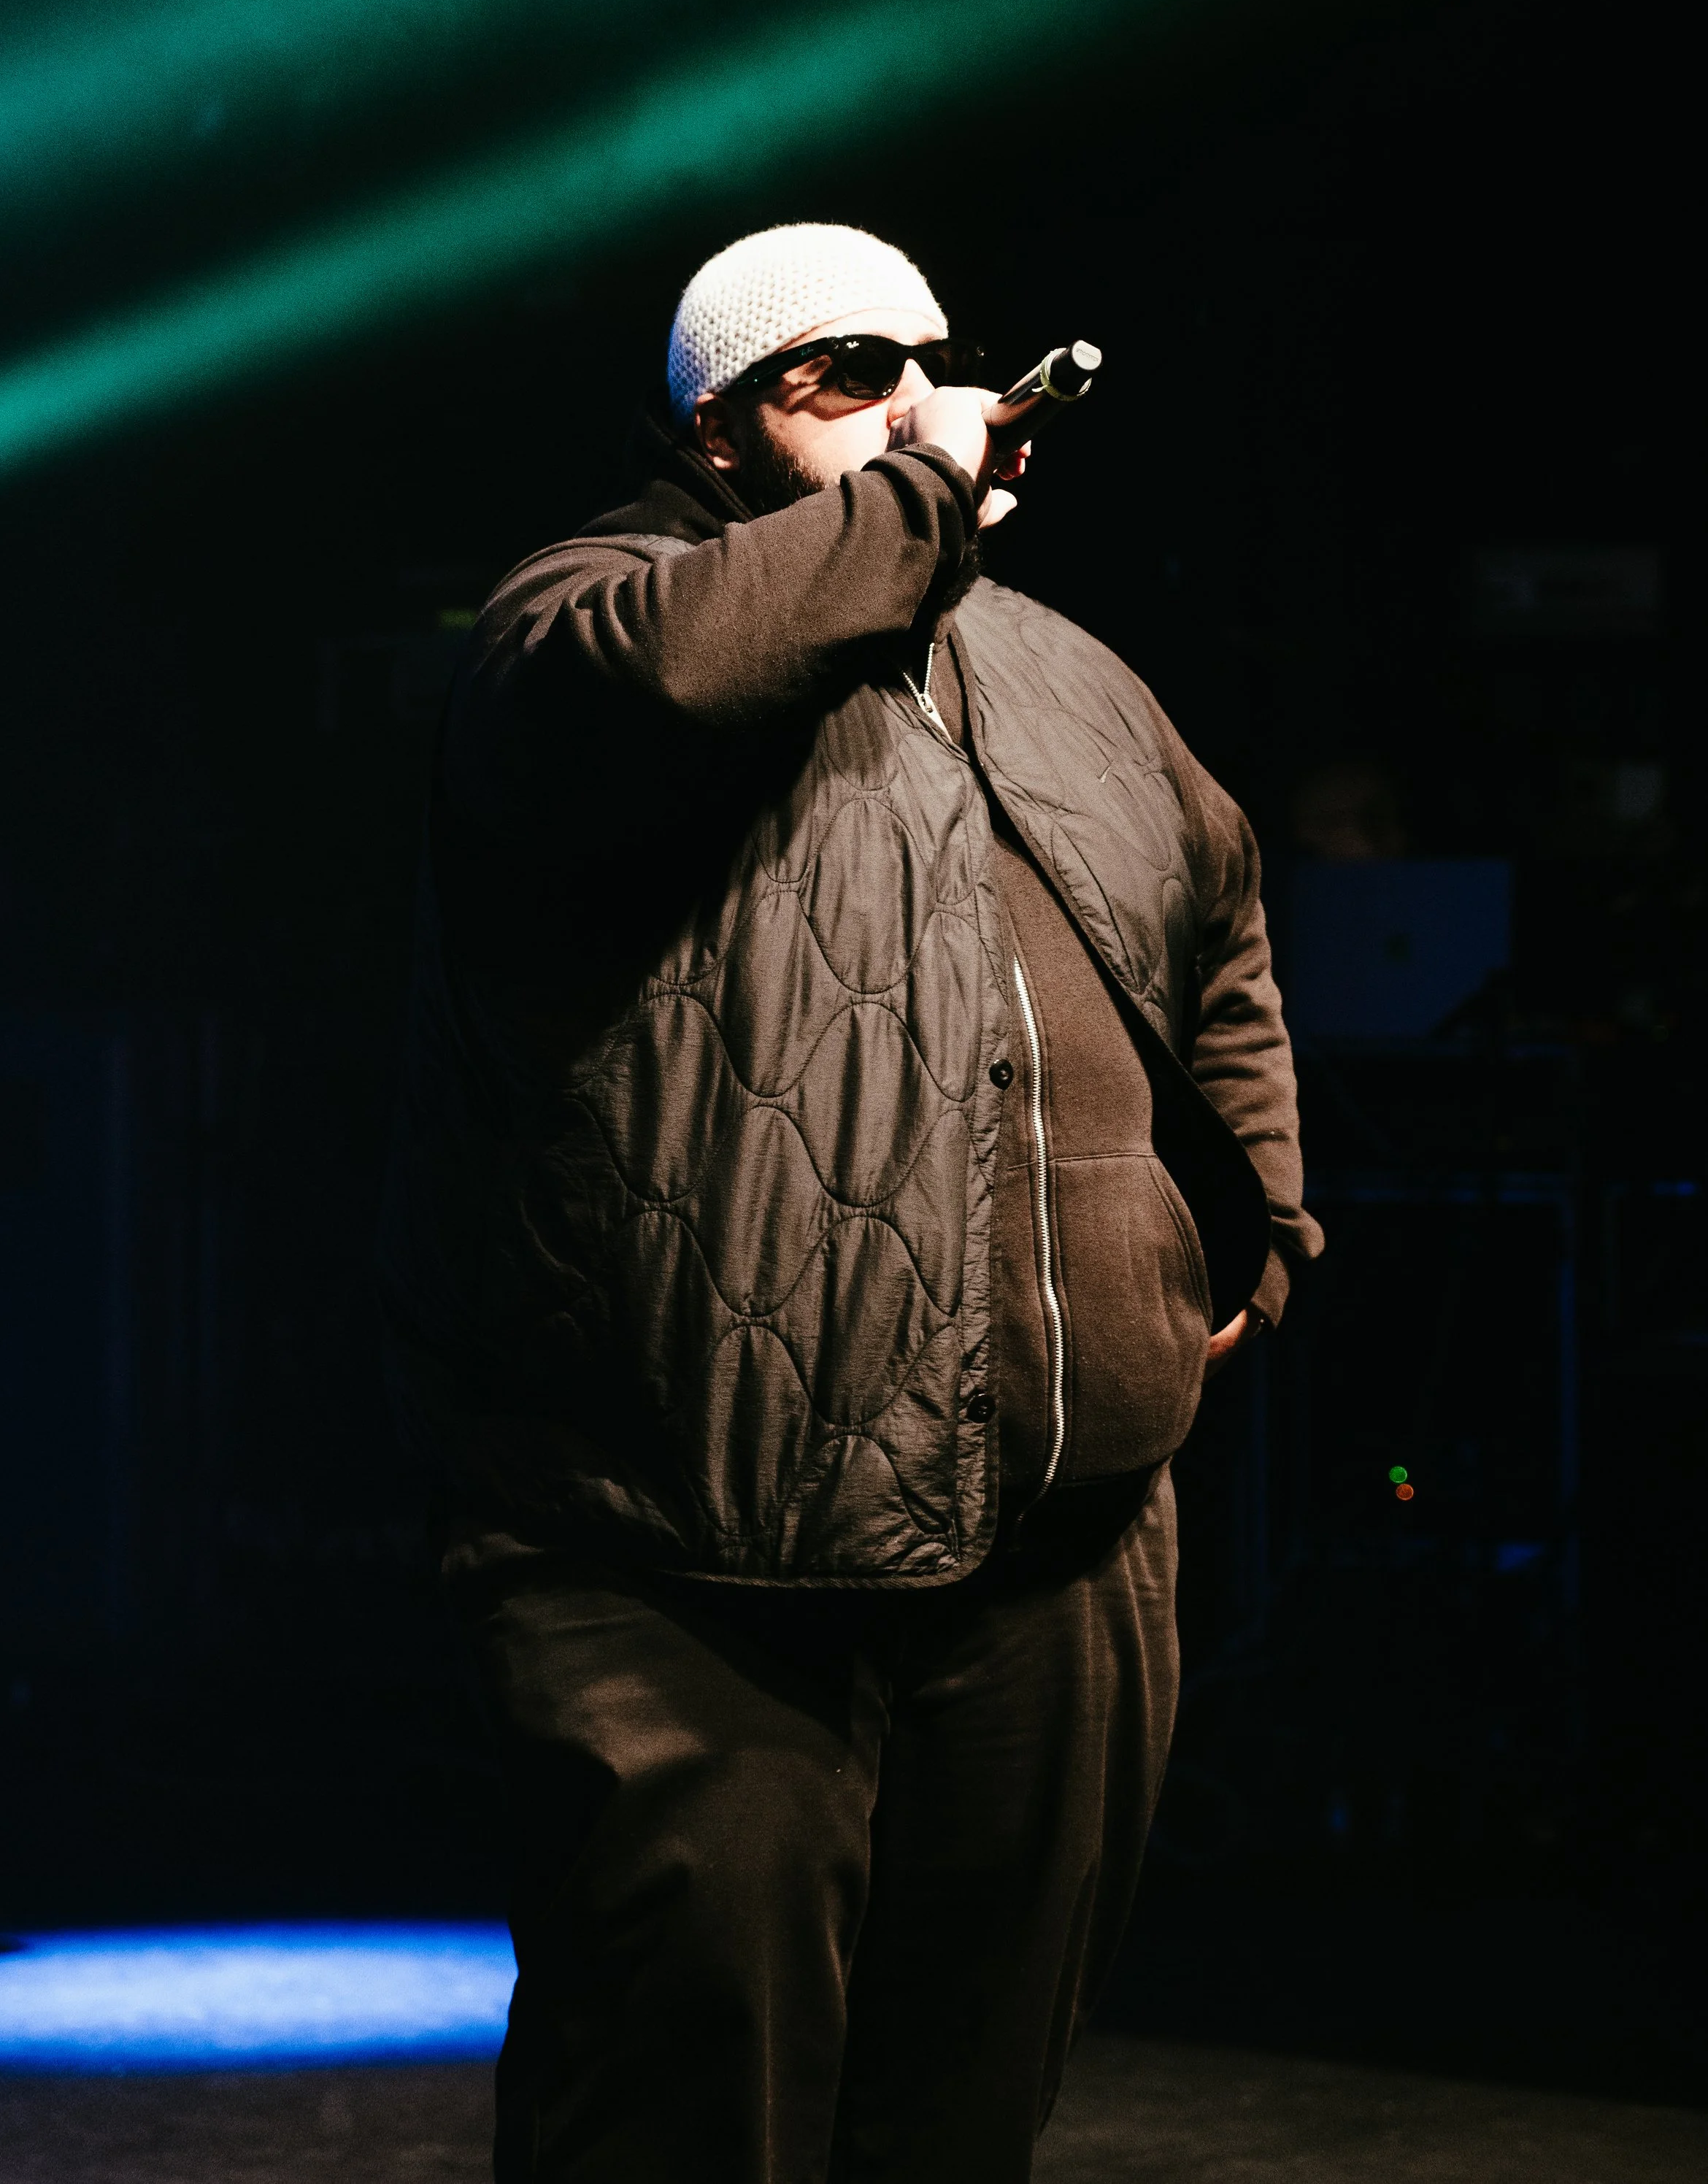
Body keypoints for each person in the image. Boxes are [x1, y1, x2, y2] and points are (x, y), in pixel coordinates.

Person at [380, 222, 1322, 2183]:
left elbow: (1219, 907)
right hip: (693, 1553)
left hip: (1060, 1536)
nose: (911, 400)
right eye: (846, 371)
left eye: (929, 363)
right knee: (678, 2109)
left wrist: (1257, 1217)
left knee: (959, 2110)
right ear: (715, 425)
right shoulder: (584, 615)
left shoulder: (1055, 666)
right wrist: (913, 500)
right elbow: (679, 676)